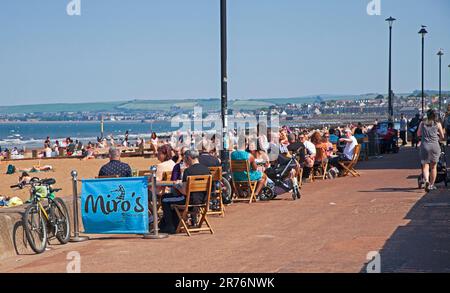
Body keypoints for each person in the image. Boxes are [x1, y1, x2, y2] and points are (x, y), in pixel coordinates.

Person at [159, 150, 211, 234]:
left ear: (189, 158)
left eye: (185, 159)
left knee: (164, 198)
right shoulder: (207, 170)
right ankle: (174, 223)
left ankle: (170, 226)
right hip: (202, 201)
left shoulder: (188, 171)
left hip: (188, 201)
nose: (184, 161)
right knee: (170, 198)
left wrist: (176, 185)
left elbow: (184, 191)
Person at [417, 110, 445, 192]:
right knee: (433, 167)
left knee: (425, 166)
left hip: (425, 146)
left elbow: (418, 134)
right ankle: (432, 185)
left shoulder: (422, 123)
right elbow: (442, 136)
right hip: (435, 146)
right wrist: (437, 137)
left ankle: (426, 181)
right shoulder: (437, 124)